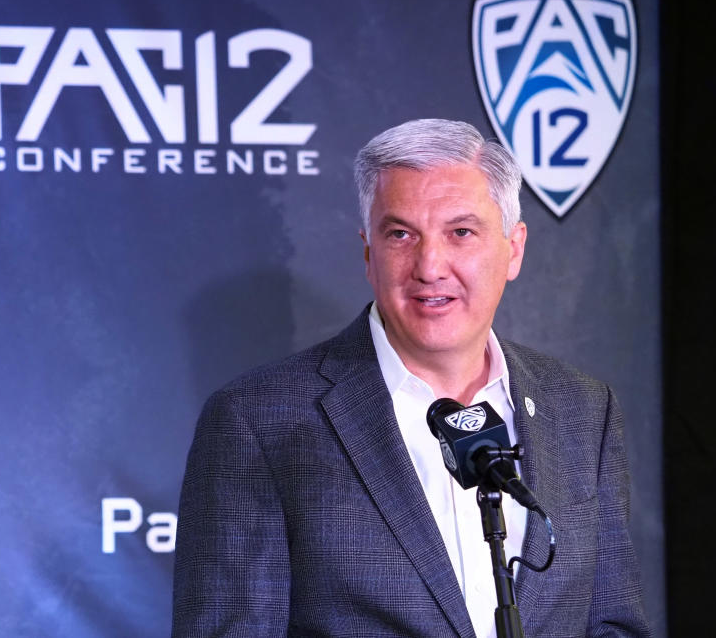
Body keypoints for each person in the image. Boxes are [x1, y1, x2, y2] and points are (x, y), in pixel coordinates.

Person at [172, 119, 650, 637]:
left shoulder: (582, 410)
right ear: (368, 252)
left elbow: (613, 623)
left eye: (461, 232)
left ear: (513, 249)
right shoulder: (260, 421)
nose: (430, 266)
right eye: (401, 234)